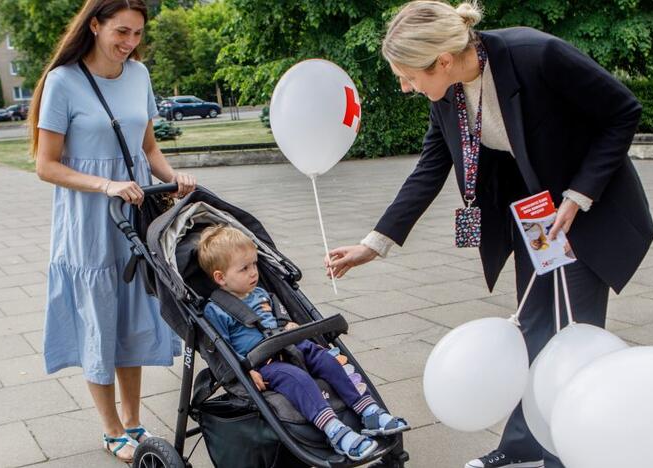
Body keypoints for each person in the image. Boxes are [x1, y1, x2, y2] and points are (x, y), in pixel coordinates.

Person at [326, 2, 653, 468]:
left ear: (442, 60)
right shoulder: (447, 92)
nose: (405, 87)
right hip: (535, 215)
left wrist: (579, 194)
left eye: (408, 76)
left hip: (584, 208)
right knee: (535, 326)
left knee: (574, 331)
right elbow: (431, 166)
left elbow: (623, 111)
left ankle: (567, 449)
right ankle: (523, 445)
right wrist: (374, 244)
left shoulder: (536, 54)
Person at [31, 0, 197, 462]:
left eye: (138, 34)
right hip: (88, 218)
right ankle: (110, 428)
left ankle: (134, 420)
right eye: (121, 32)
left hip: (136, 211)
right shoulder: (63, 82)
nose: (129, 44)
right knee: (98, 316)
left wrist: (175, 176)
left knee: (132, 313)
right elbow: (45, 165)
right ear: (96, 24)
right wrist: (104, 184)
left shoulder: (139, 76)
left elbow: (147, 147)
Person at [197, 225, 410, 462]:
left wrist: (288, 324)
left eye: (255, 264)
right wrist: (244, 372)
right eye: (244, 268)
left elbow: (279, 315)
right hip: (265, 364)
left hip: (290, 346)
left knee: (327, 359)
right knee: (297, 379)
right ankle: (334, 430)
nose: (253, 272)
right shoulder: (216, 310)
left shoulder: (262, 293)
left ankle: (367, 410)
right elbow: (221, 348)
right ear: (220, 277)